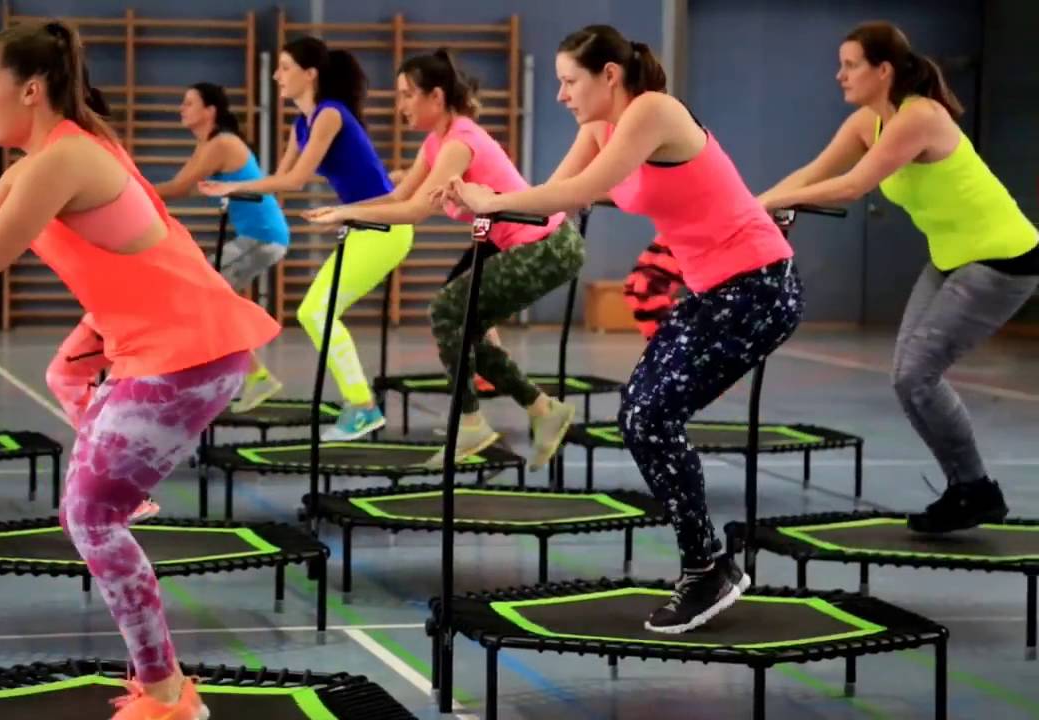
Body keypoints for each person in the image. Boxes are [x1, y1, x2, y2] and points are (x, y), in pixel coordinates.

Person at [0, 19, 280, 720]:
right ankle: (151, 624)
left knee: (90, 518)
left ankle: (168, 696)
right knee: (77, 442)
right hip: (153, 341)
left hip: (188, 347)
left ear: (31, 89)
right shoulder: (44, 160)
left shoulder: (61, 160)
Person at [444, 25, 803, 633]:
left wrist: (489, 199)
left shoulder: (652, 111)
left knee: (650, 416)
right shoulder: (599, 128)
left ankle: (705, 569)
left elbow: (583, 189)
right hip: (711, 290)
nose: (560, 95)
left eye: (569, 81)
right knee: (639, 414)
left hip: (759, 286)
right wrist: (480, 202)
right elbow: (550, 204)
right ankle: (708, 565)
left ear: (609, 75)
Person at [758, 21, 1038, 534]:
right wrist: (753, 206)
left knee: (916, 376)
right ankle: (968, 488)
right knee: (907, 379)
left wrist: (773, 203)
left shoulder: (919, 117)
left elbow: (853, 185)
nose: (840, 75)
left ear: (883, 70)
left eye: (850, 65)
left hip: (1003, 259)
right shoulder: (868, 122)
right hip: (951, 258)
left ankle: (975, 489)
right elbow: (814, 173)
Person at [306, 50, 582, 470]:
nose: (400, 105)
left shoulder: (459, 143)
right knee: (462, 323)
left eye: (407, 95)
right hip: (528, 246)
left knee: (448, 311)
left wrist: (347, 214)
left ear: (435, 97)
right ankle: (543, 409)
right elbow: (399, 196)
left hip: (547, 246)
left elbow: (416, 210)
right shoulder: (436, 142)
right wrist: (345, 210)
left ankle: (472, 422)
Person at [199, 36, 415, 441]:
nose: (277, 76)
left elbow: (295, 180)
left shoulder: (329, 114)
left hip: (386, 227)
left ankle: (363, 407)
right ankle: (361, 405)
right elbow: (281, 181)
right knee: (315, 312)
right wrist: (235, 188)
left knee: (317, 313)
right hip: (363, 225)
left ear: (310, 74)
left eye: (285, 67)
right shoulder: (301, 125)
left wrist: (232, 186)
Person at [155, 81, 291, 412]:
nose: (182, 109)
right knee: (209, 303)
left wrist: (129, 192)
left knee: (199, 295)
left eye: (189, 103)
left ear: (210, 111)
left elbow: (179, 187)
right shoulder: (208, 145)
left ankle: (241, 376)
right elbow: (184, 187)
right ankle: (248, 374)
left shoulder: (222, 144)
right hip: (255, 238)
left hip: (262, 237)